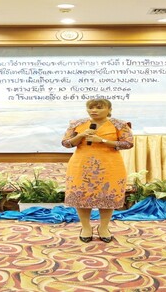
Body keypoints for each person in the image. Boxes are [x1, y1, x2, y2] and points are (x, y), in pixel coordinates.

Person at [61, 98, 134, 243]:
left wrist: (103, 141)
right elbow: (66, 143)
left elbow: (128, 143)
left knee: (107, 196)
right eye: (90, 108)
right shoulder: (77, 124)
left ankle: (104, 227)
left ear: (109, 110)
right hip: (82, 165)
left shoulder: (120, 124)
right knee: (82, 196)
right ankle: (86, 227)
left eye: (99, 108)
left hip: (110, 165)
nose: (93, 111)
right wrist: (81, 135)